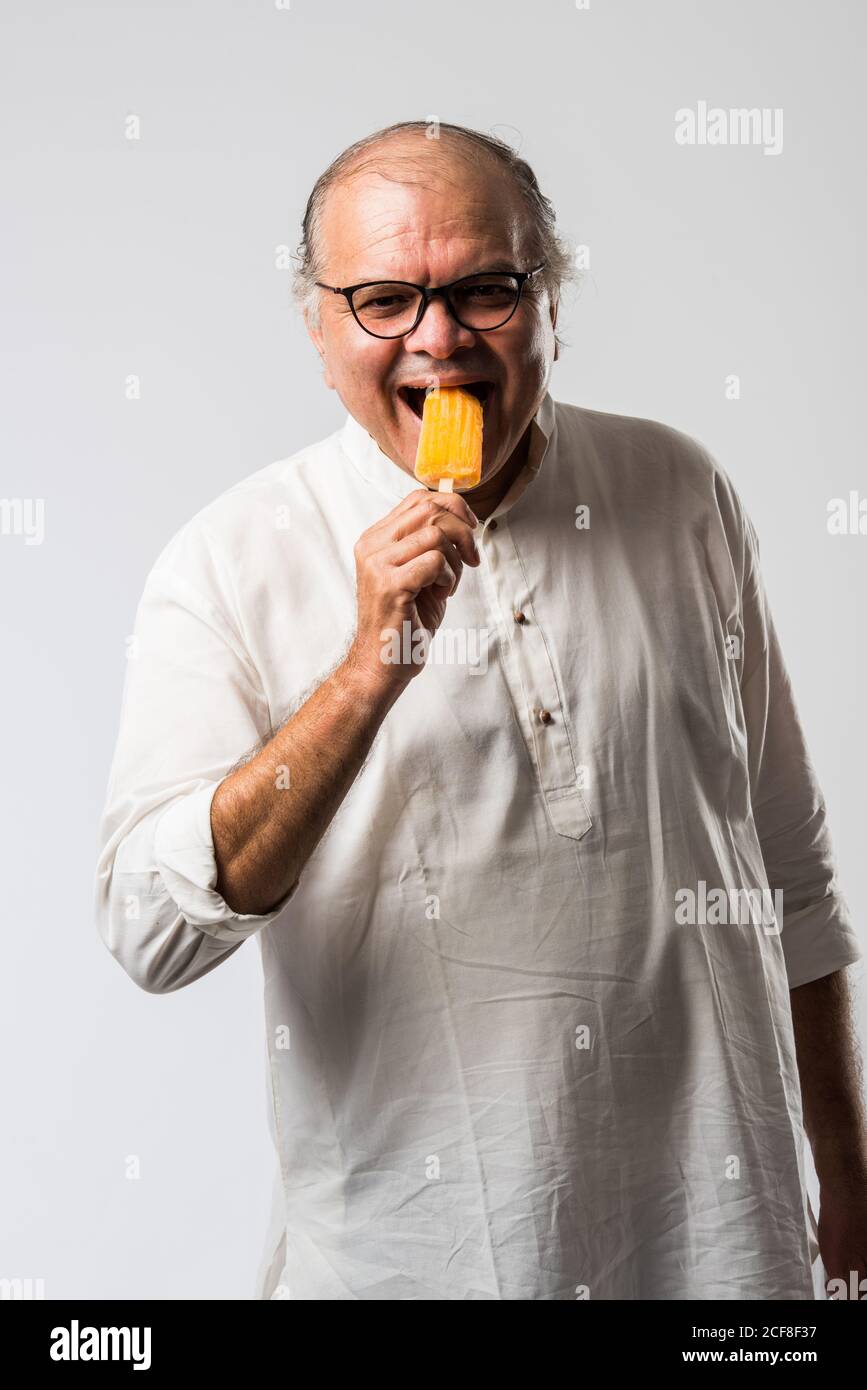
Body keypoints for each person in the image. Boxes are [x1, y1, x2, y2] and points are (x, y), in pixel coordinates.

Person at [94, 119, 867, 1300]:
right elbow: (153, 930)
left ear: (551, 300)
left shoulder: (682, 490)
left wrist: (849, 1176)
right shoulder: (228, 562)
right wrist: (367, 667)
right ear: (318, 329)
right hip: (416, 1260)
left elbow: (789, 868)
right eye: (383, 299)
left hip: (723, 1260)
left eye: (485, 289)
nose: (439, 338)